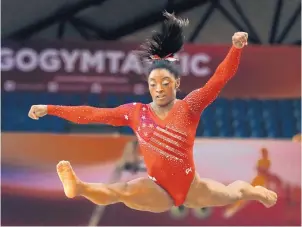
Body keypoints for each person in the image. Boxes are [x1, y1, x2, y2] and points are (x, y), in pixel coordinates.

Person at [28, 12, 277, 213]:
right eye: (153, 84)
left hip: (191, 187)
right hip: (157, 188)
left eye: (165, 83)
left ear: (177, 84)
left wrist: (235, 49)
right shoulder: (136, 112)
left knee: (236, 192)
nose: (158, 90)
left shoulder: (190, 106)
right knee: (122, 191)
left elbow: (219, 79)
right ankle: (79, 188)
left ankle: (256, 192)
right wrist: (50, 108)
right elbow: (93, 114)